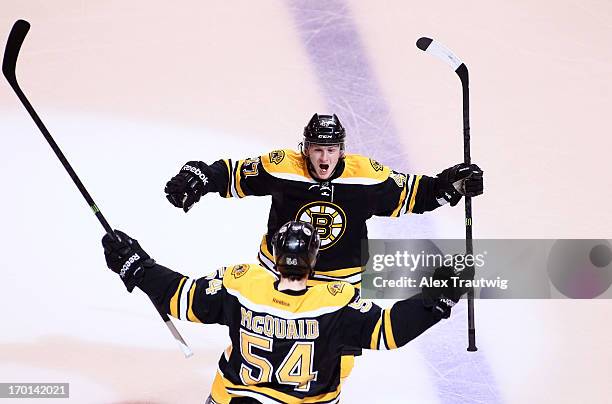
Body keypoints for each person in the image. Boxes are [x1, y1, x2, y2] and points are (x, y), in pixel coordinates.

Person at [102, 221, 469, 404]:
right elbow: (390, 331)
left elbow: (179, 296)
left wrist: (137, 266)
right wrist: (437, 298)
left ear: (276, 256)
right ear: (314, 258)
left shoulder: (241, 283)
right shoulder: (336, 299)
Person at [164, 113, 484, 288]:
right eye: (317, 149)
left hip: (342, 284)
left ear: (342, 150)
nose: (324, 158)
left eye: (331, 150)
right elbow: (231, 173)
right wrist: (199, 178)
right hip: (279, 273)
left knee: (332, 371)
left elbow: (418, 193)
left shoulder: (366, 177)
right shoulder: (282, 166)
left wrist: (451, 185)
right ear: (306, 148)